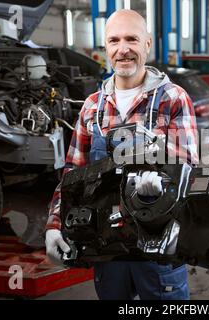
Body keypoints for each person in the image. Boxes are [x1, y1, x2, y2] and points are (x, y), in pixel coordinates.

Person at [44, 9, 199, 300]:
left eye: (132, 39)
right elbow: (73, 173)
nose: (123, 49)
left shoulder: (172, 98)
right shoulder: (93, 106)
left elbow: (188, 168)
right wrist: (54, 224)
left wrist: (162, 183)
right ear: (106, 48)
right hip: (108, 248)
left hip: (158, 245)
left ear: (147, 44)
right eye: (114, 40)